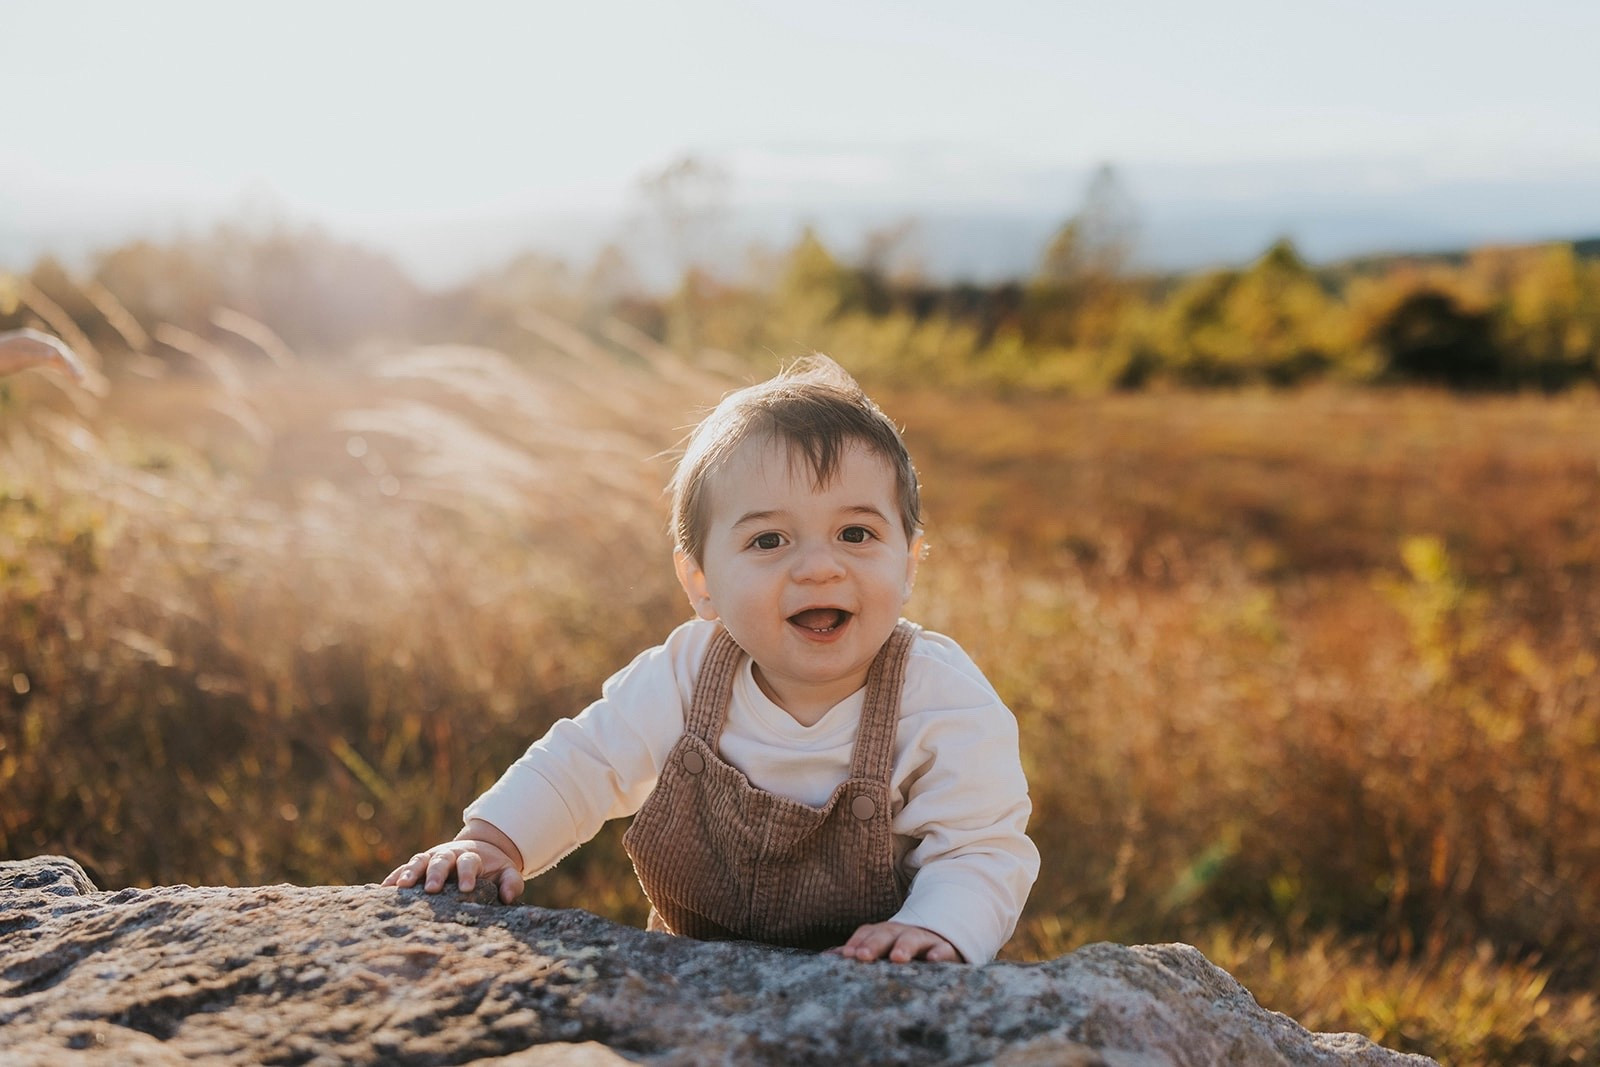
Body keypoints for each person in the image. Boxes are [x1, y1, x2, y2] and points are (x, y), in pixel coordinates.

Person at [383, 355, 1038, 964]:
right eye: (769, 539)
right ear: (701, 581)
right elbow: (585, 760)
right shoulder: (689, 673)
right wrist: (495, 840)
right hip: (694, 973)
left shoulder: (937, 695)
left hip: (873, 980)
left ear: (909, 560)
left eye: (856, 533)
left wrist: (937, 927)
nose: (818, 566)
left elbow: (981, 845)